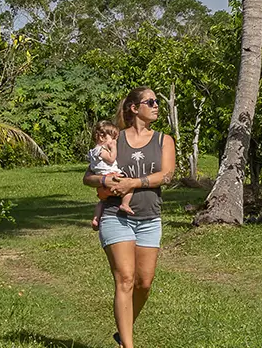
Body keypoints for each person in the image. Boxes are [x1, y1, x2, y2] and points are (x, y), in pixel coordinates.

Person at [84, 85, 175, 348]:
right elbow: (88, 176)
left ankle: (123, 332)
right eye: (151, 102)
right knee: (125, 278)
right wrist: (104, 178)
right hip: (115, 215)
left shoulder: (163, 140)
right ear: (135, 108)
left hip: (149, 217)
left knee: (143, 283)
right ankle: (128, 344)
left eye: (157, 102)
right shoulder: (115, 140)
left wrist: (132, 184)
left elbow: (166, 176)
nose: (157, 105)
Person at [86, 120, 133, 229]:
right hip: (111, 176)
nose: (113, 141)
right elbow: (111, 159)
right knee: (130, 185)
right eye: (112, 138)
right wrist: (114, 147)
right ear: (102, 137)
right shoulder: (101, 150)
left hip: (101, 184)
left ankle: (96, 218)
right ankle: (125, 204)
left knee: (102, 201)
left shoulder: (93, 151)